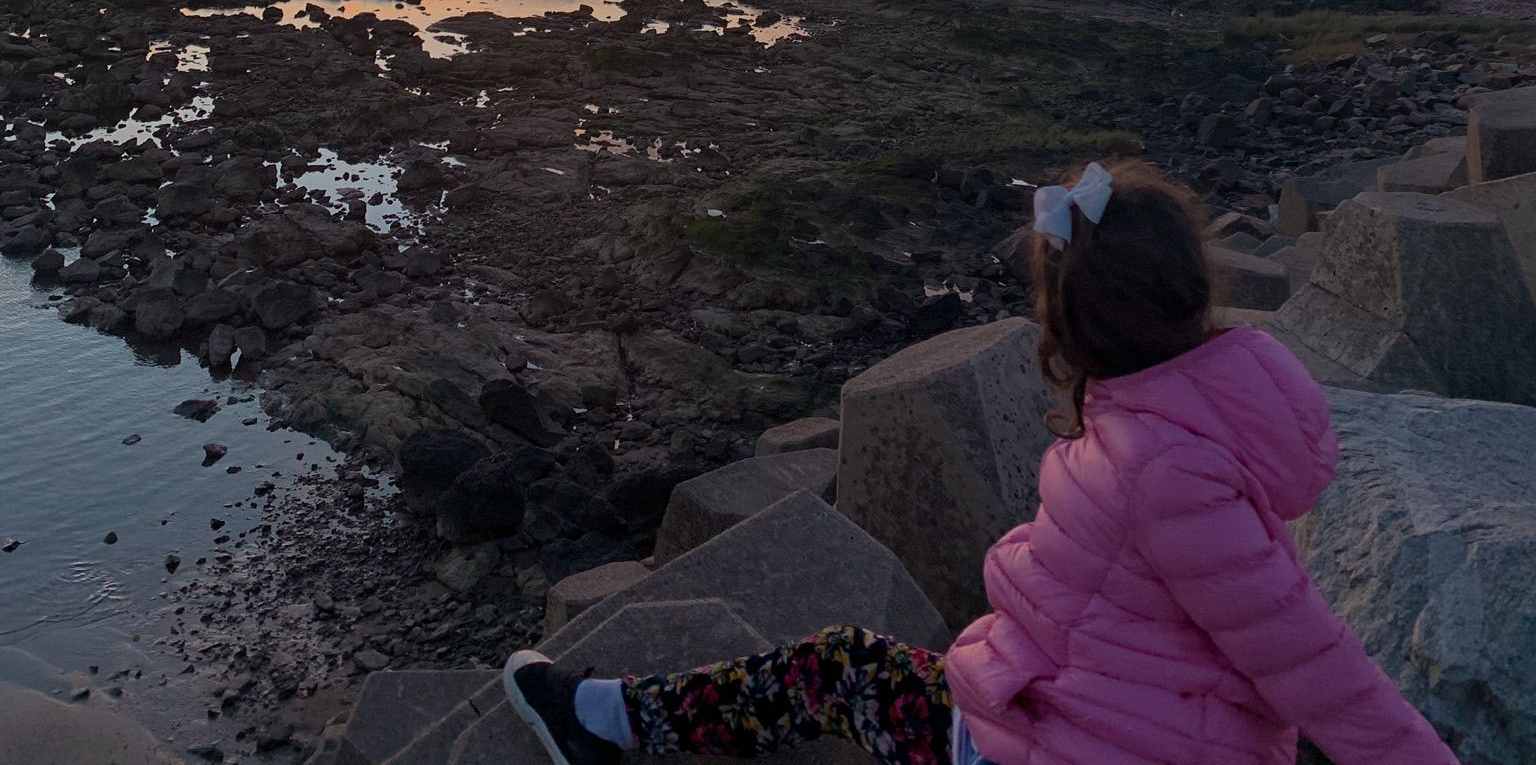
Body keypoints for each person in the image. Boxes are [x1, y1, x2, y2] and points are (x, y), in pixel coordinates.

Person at [503, 159, 1460, 765]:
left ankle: (600, 720)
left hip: (1068, 744)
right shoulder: (1213, 412)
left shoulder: (1159, 466)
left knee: (843, 665)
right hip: (1123, 720)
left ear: (1070, 326)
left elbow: (1313, 663)